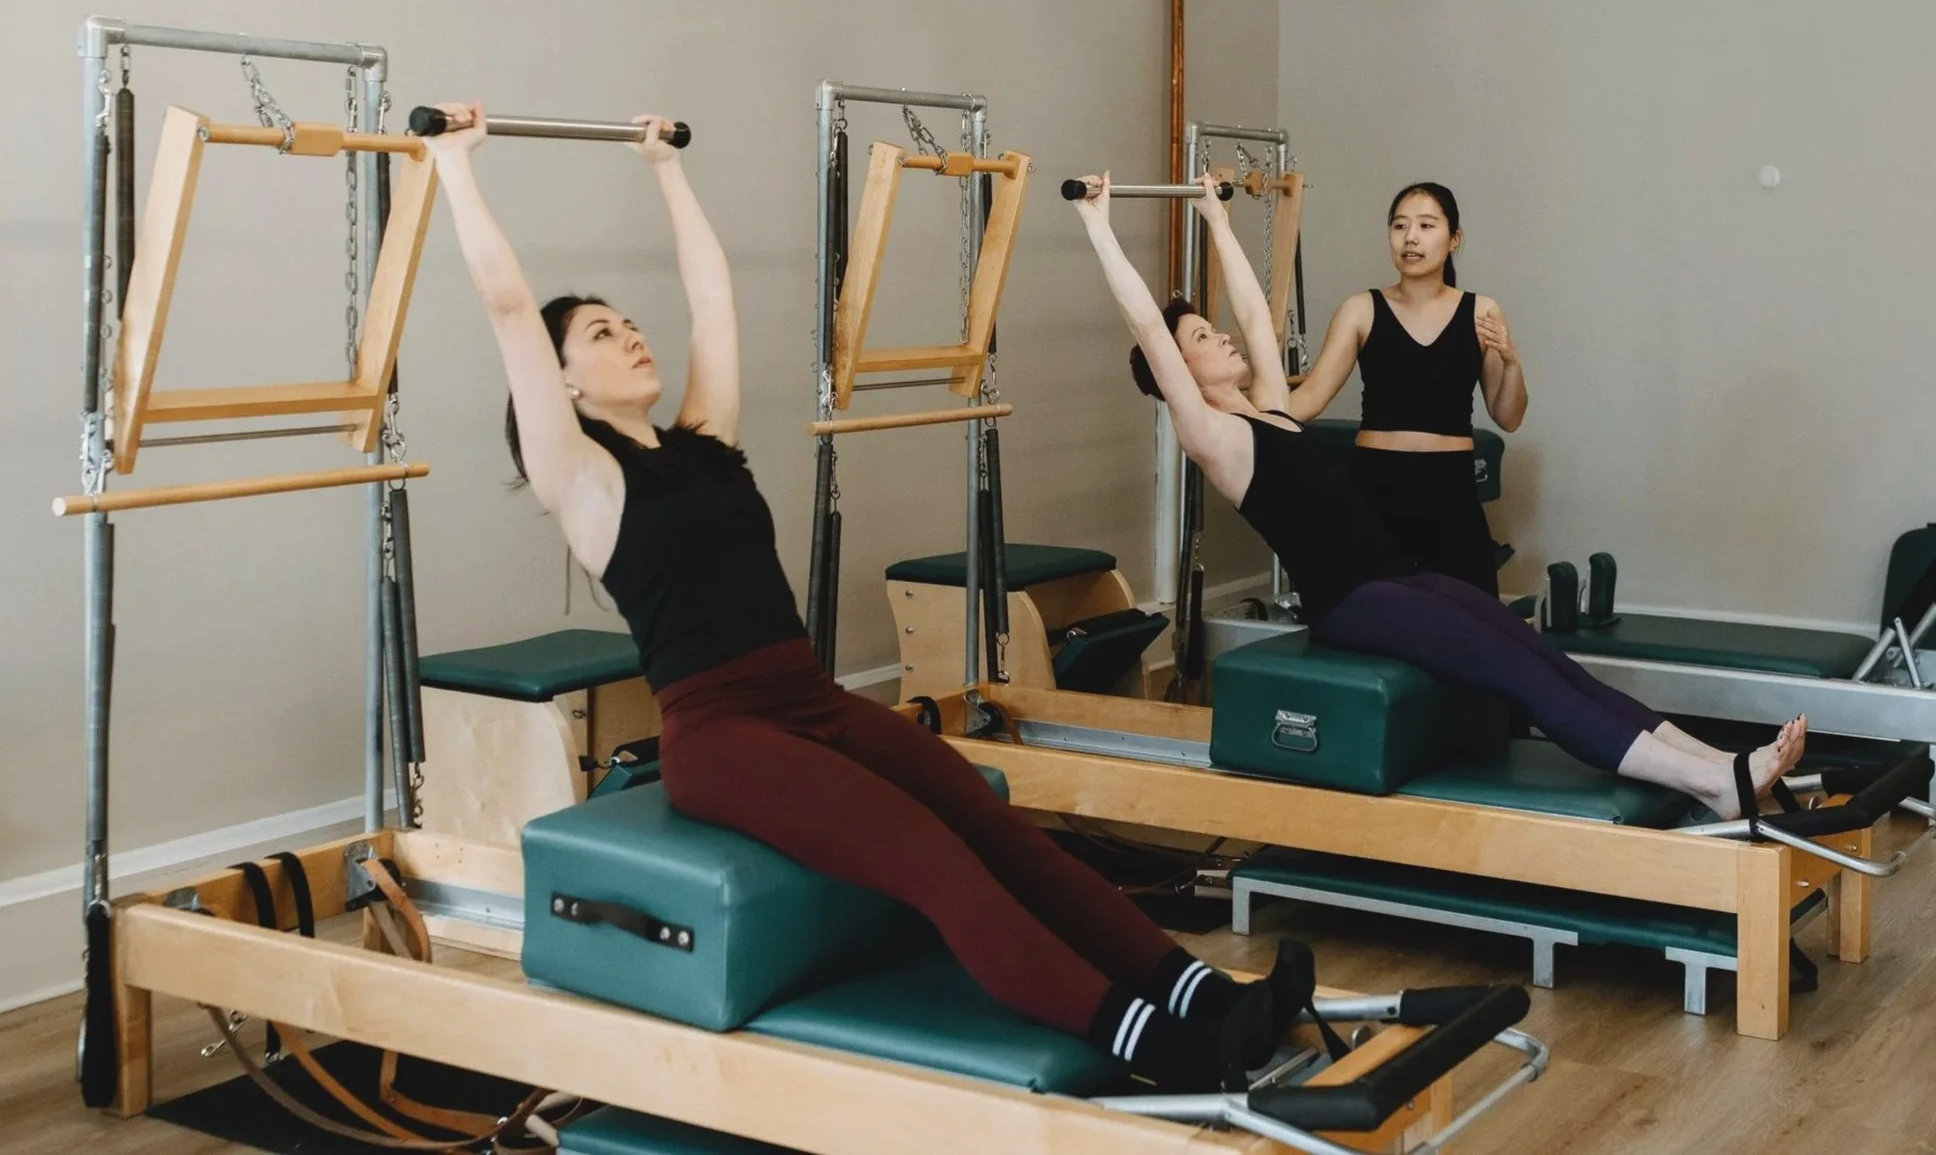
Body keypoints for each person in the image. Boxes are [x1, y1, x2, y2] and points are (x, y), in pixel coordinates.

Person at [419, 102, 1310, 1092]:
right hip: (721, 736)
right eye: (600, 332)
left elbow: (712, 301)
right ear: (562, 381)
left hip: (810, 700)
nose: (631, 336)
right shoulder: (582, 481)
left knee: (992, 823)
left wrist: (663, 168)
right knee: (934, 863)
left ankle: (1202, 996)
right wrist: (455, 163)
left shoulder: (702, 443)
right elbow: (507, 309)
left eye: (628, 323)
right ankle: (1160, 1045)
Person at [1074, 172, 1806, 818]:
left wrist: (1218, 220)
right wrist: (1098, 226)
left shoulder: (1267, 406)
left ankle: (1719, 765)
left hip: (1398, 576)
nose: (1227, 336)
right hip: (1354, 601)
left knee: (1538, 651)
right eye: (1204, 336)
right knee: (1517, 674)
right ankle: (1710, 786)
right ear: (1179, 367)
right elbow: (1147, 324)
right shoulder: (1211, 437)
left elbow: (1259, 316)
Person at [1286, 183, 1524, 596]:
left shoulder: (1481, 310)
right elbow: (1310, 398)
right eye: (1399, 226)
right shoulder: (1360, 308)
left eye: (1426, 225)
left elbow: (1508, 416)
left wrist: (1512, 362)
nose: (1410, 237)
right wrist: (1240, 414)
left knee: (1463, 625)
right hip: (1374, 487)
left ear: (1454, 240)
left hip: (1451, 492)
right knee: (1374, 617)